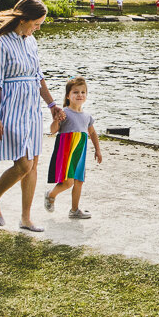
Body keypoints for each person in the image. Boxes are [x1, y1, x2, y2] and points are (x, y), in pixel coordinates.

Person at [0, 0, 65, 232]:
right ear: (24, 19)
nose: (37, 29)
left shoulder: (30, 42)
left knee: (33, 163)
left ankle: (25, 218)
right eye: (36, 24)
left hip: (31, 108)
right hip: (10, 107)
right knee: (23, 164)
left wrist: (52, 104)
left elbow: (38, 76)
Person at [44, 76, 103, 219]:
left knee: (79, 181)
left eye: (83, 92)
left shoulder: (87, 116)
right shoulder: (64, 113)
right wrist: (56, 120)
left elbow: (92, 132)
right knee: (68, 182)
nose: (80, 95)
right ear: (68, 96)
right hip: (66, 152)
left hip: (80, 152)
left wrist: (98, 149)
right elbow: (53, 130)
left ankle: (74, 210)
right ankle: (51, 195)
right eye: (76, 92)